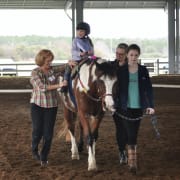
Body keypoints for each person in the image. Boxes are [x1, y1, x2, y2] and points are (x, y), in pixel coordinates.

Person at [115, 44, 155, 174]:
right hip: (124, 108)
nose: (133, 57)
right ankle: (132, 163)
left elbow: (148, 89)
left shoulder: (143, 70)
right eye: (131, 55)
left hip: (139, 108)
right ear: (127, 55)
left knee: (133, 133)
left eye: (136, 55)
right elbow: (116, 89)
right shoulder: (120, 71)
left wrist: (150, 106)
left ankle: (130, 157)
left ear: (138, 56)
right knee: (130, 133)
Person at [30, 49, 65, 167]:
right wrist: (59, 85)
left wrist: (70, 63)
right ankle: (34, 148)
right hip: (37, 105)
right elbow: (42, 87)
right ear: (41, 60)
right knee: (37, 131)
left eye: (50, 60)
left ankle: (44, 156)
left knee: (48, 134)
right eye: (47, 60)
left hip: (51, 106)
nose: (49, 63)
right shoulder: (35, 72)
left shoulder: (53, 70)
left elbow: (64, 67)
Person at [61, 21, 94, 92]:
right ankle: (65, 83)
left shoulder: (88, 41)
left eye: (82, 31)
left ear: (86, 32)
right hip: (77, 60)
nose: (79, 32)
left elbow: (92, 51)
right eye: (78, 30)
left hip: (87, 59)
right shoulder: (75, 40)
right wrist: (80, 53)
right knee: (68, 69)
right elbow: (73, 51)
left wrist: (89, 53)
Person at [112, 43, 129, 165]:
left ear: (126, 55)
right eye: (117, 53)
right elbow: (95, 61)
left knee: (129, 129)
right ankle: (122, 151)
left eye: (121, 54)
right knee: (120, 128)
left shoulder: (132, 67)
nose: (118, 56)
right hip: (117, 104)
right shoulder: (111, 66)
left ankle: (129, 149)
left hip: (130, 103)